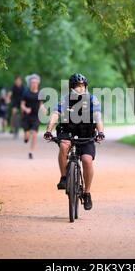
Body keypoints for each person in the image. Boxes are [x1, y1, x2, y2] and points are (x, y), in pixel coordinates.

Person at [43, 73, 105, 211]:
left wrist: (100, 132)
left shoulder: (92, 100)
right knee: (64, 146)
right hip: (68, 130)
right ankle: (64, 177)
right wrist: (49, 130)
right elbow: (55, 115)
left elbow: (98, 117)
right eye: (77, 86)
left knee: (87, 160)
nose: (80, 88)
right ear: (71, 88)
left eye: (82, 86)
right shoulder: (64, 100)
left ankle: (87, 193)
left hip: (86, 133)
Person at [20, 74, 46, 159]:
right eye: (32, 82)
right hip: (27, 117)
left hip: (35, 116)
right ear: (30, 83)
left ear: (38, 83)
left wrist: (44, 110)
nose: (34, 84)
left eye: (35, 82)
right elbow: (22, 105)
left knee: (34, 134)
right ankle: (26, 137)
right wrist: (26, 109)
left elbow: (41, 104)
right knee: (27, 135)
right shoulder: (26, 93)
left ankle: (31, 152)